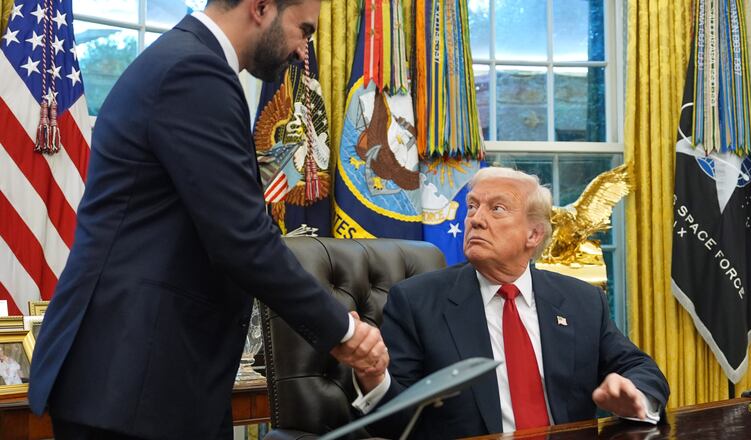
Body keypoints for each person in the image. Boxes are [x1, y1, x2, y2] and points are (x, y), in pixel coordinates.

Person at [28, 0, 387, 438]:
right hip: (130, 380)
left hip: (152, 379)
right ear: (261, 7)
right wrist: (344, 330)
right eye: (304, 30)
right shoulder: (193, 72)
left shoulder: (186, 62)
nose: (301, 51)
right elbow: (243, 240)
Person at [352, 167, 670, 439]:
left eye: (497, 209)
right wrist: (373, 376)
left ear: (533, 235)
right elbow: (395, 424)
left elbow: (641, 368)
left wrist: (635, 396)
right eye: (472, 207)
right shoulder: (417, 301)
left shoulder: (582, 301)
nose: (475, 219)